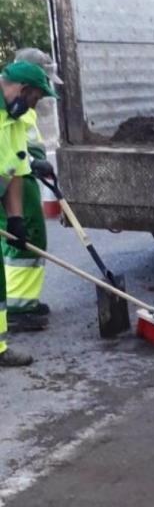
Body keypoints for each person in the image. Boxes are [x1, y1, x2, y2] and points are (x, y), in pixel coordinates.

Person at [0, 61, 58, 367]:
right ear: (23, 90)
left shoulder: (15, 118)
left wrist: (16, 218)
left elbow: (16, 172)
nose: (35, 105)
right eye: (36, 98)